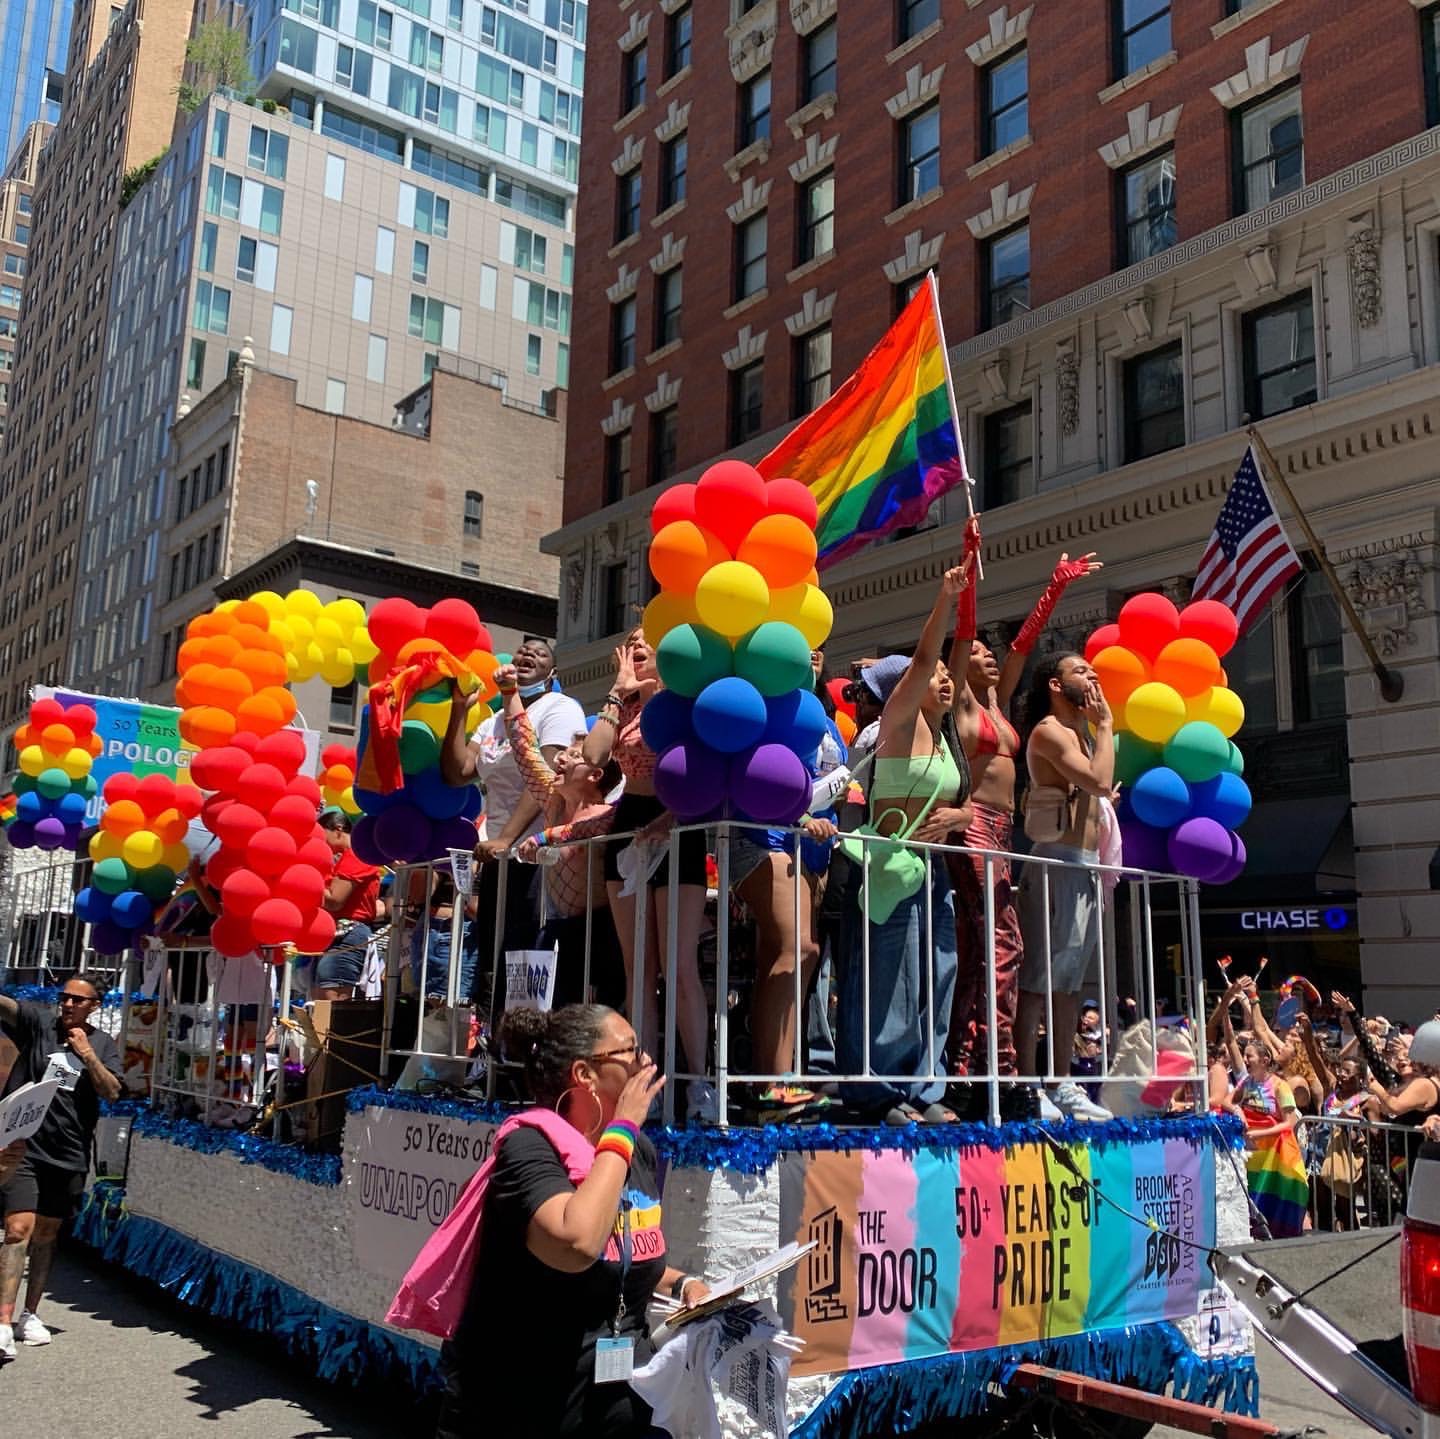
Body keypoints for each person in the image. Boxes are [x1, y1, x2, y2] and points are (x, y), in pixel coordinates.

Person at [435, 1004, 709, 1438]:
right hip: (517, 1410)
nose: (646, 1063)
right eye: (631, 1051)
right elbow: (577, 1244)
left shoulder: (637, 1153)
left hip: (617, 1407)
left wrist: (684, 1285)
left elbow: (624, 1252)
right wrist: (621, 1130)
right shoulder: (528, 1148)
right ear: (585, 1074)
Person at [946, 523, 1103, 1116]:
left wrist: (1054, 589)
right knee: (1003, 946)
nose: (987, 653)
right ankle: (990, 1068)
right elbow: (964, 637)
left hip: (1006, 832)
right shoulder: (961, 697)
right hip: (974, 825)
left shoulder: (998, 702)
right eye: (977, 652)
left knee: (1000, 948)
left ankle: (996, 1065)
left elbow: (1022, 649)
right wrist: (969, 562)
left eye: (991, 652)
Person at [835, 557, 973, 1125]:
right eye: (935, 674)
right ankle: (875, 1091)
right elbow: (922, 660)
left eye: (947, 674)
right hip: (891, 865)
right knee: (886, 979)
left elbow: (964, 805)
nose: (944, 677)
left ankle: (922, 1086)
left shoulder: (945, 740)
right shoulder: (899, 721)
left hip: (933, 872)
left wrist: (959, 817)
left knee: (937, 974)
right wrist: (946, 598)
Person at [583, 629, 713, 1121]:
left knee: (678, 967)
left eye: (646, 642)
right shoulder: (626, 705)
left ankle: (698, 1085)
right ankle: (645, 1087)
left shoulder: (682, 699)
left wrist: (672, 818)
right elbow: (594, 758)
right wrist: (617, 692)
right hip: (628, 825)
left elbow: (701, 767)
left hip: (677, 821)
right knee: (638, 968)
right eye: (631, 641)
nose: (635, 646)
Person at [732, 648, 846, 1120]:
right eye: (797, 647)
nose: (813, 655)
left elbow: (835, 775)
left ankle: (777, 1080)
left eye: (820, 649)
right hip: (761, 835)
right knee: (800, 949)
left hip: (812, 851)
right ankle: (772, 1084)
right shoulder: (761, 706)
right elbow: (749, 775)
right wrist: (799, 813)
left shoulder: (826, 717)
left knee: (782, 957)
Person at [442, 637, 585, 995]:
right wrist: (459, 709)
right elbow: (459, 771)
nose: (527, 655)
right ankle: (495, 1039)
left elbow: (545, 778)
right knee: (493, 958)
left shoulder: (559, 708)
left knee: (525, 956)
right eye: (523, 651)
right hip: (497, 856)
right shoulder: (492, 722)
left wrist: (508, 838)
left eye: (539, 655)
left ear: (551, 673)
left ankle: (527, 1038)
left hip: (537, 853)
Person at [1013, 652, 1117, 1122]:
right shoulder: (1050, 731)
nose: (1092, 675)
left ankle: (1060, 1081)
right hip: (1056, 864)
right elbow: (1098, 779)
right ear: (1056, 684)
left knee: (1070, 983)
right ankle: (1028, 1082)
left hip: (1085, 865)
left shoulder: (1078, 735)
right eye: (1081, 670)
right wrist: (1107, 727)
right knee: (1037, 980)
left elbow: (1097, 788)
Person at [1, 978, 123, 1358]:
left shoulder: (103, 1044)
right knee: (17, 1229)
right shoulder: (40, 1025)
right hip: (27, 1149)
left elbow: (113, 1091)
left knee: (46, 1236)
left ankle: (30, 1314)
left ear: (95, 1005)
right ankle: (2, 1322)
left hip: (68, 1155)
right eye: (64, 997)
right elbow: (7, 1007)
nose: (68, 1003)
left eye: (77, 999)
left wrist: (87, 1055)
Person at [498, 662, 626, 1009]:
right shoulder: (554, 802)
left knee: (598, 1011)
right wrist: (510, 693)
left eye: (575, 754)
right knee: (557, 1012)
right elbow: (526, 751)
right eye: (566, 752)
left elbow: (589, 828)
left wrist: (545, 837)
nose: (563, 758)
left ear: (595, 774)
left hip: (601, 929)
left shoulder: (607, 813)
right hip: (558, 926)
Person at [1226, 1039, 1308, 1239]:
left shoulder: (1280, 1086)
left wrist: (1260, 1133)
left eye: (1249, 1055)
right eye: (1244, 1055)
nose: (1245, 1059)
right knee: (1253, 1195)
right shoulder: (1247, 1083)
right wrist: (1238, 1111)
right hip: (1252, 1154)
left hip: (1275, 1155)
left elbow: (1288, 1123)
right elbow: (1228, 1101)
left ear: (1265, 1059)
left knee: (1275, 1198)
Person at [311, 808, 383, 1001]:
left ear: (338, 829)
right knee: (322, 1000)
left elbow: (334, 900)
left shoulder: (358, 855)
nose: (321, 843)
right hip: (339, 933)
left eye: (321, 836)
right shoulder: (348, 858)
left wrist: (308, 877)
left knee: (331, 1000)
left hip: (348, 933)